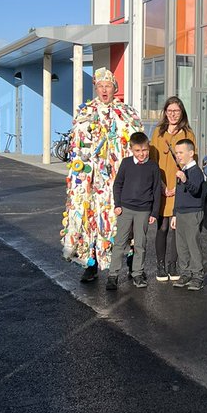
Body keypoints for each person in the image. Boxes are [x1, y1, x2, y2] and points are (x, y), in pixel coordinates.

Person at [61, 68, 142, 282]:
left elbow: (137, 143)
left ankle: (133, 264)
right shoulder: (86, 113)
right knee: (94, 220)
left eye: (108, 86)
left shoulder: (127, 113)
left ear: (114, 88)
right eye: (100, 86)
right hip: (94, 181)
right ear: (96, 88)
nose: (104, 90)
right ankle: (92, 264)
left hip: (120, 179)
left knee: (124, 219)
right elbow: (78, 148)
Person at [106, 132, 162, 291]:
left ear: (148, 148)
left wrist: (154, 213)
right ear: (131, 150)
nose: (142, 154)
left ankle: (137, 273)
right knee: (119, 243)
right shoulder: (126, 163)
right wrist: (117, 204)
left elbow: (157, 190)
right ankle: (113, 275)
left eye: (144, 150)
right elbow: (118, 185)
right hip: (125, 209)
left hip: (143, 211)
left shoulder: (153, 166)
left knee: (140, 243)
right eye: (138, 150)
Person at [150, 96, 196, 282]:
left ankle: (173, 264)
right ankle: (160, 265)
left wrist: (179, 187)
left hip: (180, 186)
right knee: (162, 227)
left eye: (176, 111)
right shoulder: (158, 132)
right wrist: (161, 186)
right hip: (161, 186)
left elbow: (192, 162)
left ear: (182, 112)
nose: (173, 114)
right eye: (169, 111)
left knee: (177, 228)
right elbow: (152, 161)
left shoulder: (187, 134)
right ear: (165, 112)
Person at [170, 137, 205, 292]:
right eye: (176, 153)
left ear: (191, 153)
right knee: (181, 246)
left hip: (193, 213)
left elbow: (195, 190)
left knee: (193, 244)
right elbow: (179, 195)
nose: (178, 155)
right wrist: (174, 214)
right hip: (181, 213)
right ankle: (185, 272)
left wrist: (185, 180)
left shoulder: (196, 171)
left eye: (181, 152)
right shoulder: (182, 171)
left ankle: (198, 275)